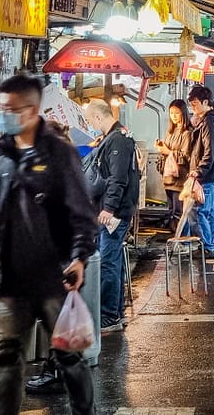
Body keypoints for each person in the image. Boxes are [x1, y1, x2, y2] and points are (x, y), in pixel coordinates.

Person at [0, 74, 97, 415]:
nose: (3, 115)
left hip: (54, 275)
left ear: (32, 111)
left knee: (68, 356)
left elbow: (81, 212)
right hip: (11, 277)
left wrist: (79, 257)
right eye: (0, 108)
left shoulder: (60, 155)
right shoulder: (1, 152)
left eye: (10, 109)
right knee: (7, 360)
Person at [84, 100, 140, 334]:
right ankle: (115, 313)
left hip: (114, 214)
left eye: (90, 121)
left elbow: (118, 178)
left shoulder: (117, 140)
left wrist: (108, 208)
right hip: (114, 211)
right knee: (112, 261)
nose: (91, 125)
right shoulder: (113, 138)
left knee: (108, 262)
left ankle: (109, 315)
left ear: (98, 118)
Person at [188, 84, 214, 260]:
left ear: (205, 102)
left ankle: (208, 247)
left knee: (201, 211)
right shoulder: (210, 120)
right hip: (213, 174)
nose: (192, 108)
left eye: (195, 104)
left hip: (207, 176)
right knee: (209, 211)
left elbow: (209, 151)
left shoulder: (208, 122)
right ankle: (209, 245)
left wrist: (199, 171)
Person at [156, 99, 193, 230]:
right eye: (171, 113)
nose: (174, 116)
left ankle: (182, 241)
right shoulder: (170, 132)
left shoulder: (187, 133)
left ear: (183, 113)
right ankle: (176, 240)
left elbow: (186, 156)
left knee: (179, 213)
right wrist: (162, 148)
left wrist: (168, 151)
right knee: (171, 211)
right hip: (168, 179)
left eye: (177, 113)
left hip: (180, 180)